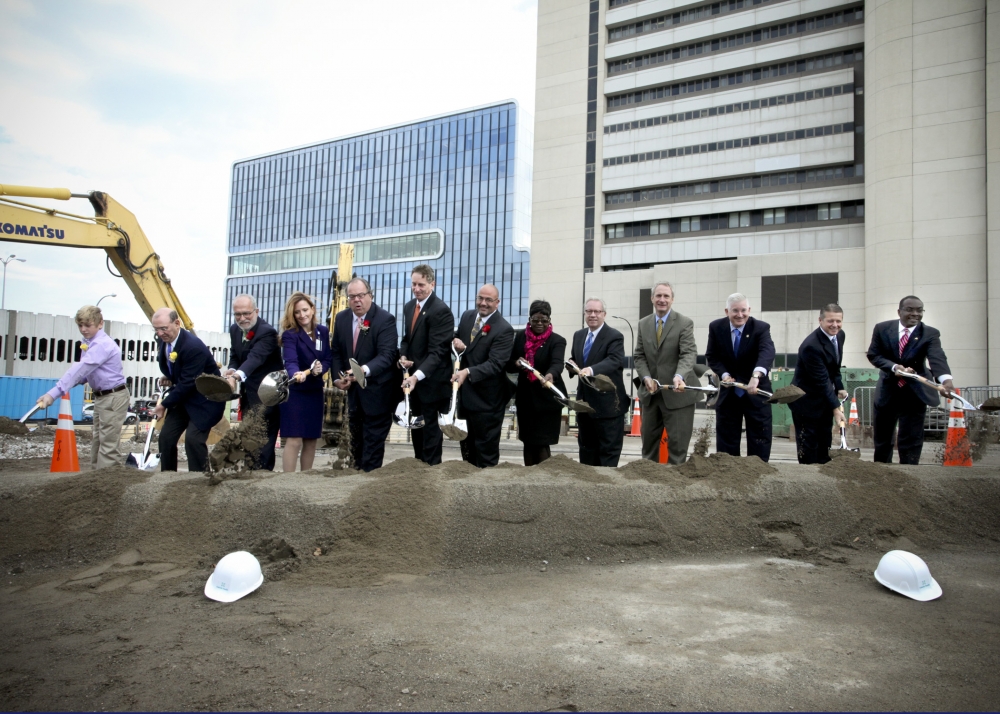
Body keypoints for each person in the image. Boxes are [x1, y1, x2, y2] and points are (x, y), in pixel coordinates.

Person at [35, 305, 129, 470]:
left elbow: (81, 368)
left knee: (107, 443)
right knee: (98, 440)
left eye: (88, 325)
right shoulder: (90, 343)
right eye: (80, 325)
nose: (84, 329)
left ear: (100, 323)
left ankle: (107, 482)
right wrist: (78, 380)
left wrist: (54, 393)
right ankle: (96, 478)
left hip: (113, 396)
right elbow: (87, 373)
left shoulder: (101, 344)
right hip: (103, 396)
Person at [867, 295, 955, 464]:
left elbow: (937, 358)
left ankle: (910, 475)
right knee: (883, 439)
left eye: (919, 310)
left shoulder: (930, 333)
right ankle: (881, 475)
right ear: (899, 311)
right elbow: (874, 355)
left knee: (911, 439)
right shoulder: (882, 329)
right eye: (910, 309)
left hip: (915, 393)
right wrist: (894, 367)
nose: (915, 314)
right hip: (888, 390)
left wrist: (946, 381)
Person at [330, 278, 401, 472]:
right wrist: (337, 378)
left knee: (372, 445)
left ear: (370, 295)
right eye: (352, 297)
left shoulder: (385, 319)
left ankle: (368, 482)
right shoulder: (342, 318)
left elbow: (387, 356)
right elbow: (336, 351)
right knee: (355, 443)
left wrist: (363, 371)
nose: (357, 300)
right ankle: (355, 475)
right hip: (353, 395)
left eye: (361, 295)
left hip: (378, 393)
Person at [151, 308, 226, 472]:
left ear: (177, 323)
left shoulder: (192, 347)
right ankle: (168, 476)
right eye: (156, 329)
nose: (160, 333)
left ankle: (198, 480)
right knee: (166, 437)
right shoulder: (164, 341)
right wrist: (171, 376)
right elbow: (179, 371)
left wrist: (163, 404)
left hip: (206, 400)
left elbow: (188, 383)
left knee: (193, 440)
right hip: (185, 399)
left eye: (163, 328)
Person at [705, 292, 776, 461]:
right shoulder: (716, 327)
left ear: (749, 310)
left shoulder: (761, 328)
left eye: (743, 310)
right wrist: (725, 374)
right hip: (729, 394)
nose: (740, 315)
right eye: (735, 310)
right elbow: (712, 356)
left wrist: (756, 375)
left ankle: (758, 472)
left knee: (760, 437)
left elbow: (767, 352)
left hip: (756, 391)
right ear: (726, 311)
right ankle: (728, 474)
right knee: (726, 439)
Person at [633, 282, 699, 465]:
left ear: (672, 299)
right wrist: (646, 377)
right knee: (648, 449)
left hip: (678, 396)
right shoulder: (643, 323)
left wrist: (679, 376)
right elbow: (639, 355)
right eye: (658, 296)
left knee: (677, 449)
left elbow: (688, 354)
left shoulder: (684, 323)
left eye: (666, 296)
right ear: (652, 298)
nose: (662, 300)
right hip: (651, 395)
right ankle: (649, 485)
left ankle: (675, 489)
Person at [452, 284, 515, 468]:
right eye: (480, 298)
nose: (483, 303)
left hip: (488, 403)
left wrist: (467, 372)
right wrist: (455, 341)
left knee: (485, 454)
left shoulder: (504, 329)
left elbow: (495, 364)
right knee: (467, 450)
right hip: (465, 399)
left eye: (489, 300)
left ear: (498, 303)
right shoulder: (467, 316)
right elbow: (457, 337)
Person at [399, 264, 455, 465]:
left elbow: (438, 352)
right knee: (417, 433)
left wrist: (416, 376)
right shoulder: (408, 307)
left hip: (432, 386)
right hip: (413, 385)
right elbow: (406, 339)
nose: (416, 289)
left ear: (432, 284)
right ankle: (418, 474)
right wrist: (403, 355)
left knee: (430, 437)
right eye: (413, 284)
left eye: (421, 285)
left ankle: (431, 477)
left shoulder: (441, 311)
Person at [223, 294, 284, 470]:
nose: (242, 318)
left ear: (256, 311)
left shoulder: (267, 332)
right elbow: (236, 355)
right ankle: (249, 473)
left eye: (246, 313)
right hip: (249, 395)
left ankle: (262, 477)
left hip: (268, 395)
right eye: (237, 315)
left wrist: (236, 377)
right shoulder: (235, 330)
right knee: (249, 438)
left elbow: (255, 358)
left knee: (263, 441)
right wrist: (232, 369)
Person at [506, 299, 567, 465]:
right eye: (535, 320)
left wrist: (551, 375)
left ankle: (543, 479)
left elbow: (557, 363)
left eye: (544, 320)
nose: (539, 323)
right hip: (527, 400)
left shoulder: (557, 340)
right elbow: (509, 364)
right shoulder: (520, 338)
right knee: (528, 442)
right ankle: (530, 475)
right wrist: (517, 364)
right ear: (530, 319)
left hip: (547, 401)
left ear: (550, 320)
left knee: (541, 443)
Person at [569, 298, 629, 466]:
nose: (593, 315)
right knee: (586, 451)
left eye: (597, 312)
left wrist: (591, 370)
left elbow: (614, 360)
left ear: (604, 314)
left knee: (608, 453)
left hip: (608, 407)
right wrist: (571, 365)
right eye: (589, 311)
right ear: (584, 314)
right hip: (584, 405)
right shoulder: (579, 335)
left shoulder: (614, 336)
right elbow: (578, 359)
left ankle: (607, 490)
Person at [279, 292, 332, 472]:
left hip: (315, 392)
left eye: (305, 310)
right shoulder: (290, 335)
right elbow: (290, 361)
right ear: (292, 315)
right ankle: (288, 481)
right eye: (297, 312)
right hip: (295, 392)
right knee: (294, 439)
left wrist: (320, 369)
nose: (302, 315)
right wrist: (297, 374)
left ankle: (305, 479)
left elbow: (327, 359)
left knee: (311, 439)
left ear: (312, 309)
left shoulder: (323, 332)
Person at [789, 304, 847, 464]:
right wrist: (836, 409)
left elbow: (834, 367)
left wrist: (839, 386)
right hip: (806, 403)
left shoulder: (839, 336)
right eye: (830, 321)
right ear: (820, 320)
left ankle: (823, 476)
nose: (835, 325)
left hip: (824, 400)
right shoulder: (811, 346)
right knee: (809, 447)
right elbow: (821, 380)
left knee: (824, 442)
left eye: (838, 321)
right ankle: (808, 480)